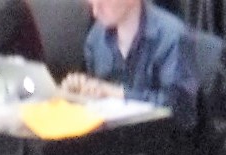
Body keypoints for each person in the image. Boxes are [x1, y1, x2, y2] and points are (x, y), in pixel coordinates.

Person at [61, 0, 197, 130]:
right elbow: (97, 102)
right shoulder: (96, 38)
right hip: (115, 136)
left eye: (103, 2)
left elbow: (181, 108)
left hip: (163, 138)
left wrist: (116, 93)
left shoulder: (172, 36)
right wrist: (81, 91)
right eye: (91, 4)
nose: (95, 12)